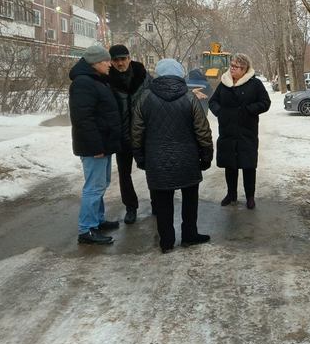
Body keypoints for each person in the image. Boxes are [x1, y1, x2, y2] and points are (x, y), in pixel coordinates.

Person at [132, 59, 214, 254]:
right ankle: (189, 235)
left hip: (156, 158)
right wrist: (206, 156)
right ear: (180, 74)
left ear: (159, 74)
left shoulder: (145, 97)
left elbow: (137, 132)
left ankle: (166, 241)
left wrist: (140, 157)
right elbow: (203, 130)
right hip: (187, 157)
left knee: (162, 201)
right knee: (190, 198)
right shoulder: (190, 98)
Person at [69, 45, 121, 245]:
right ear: (95, 63)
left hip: (102, 144)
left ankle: (97, 220)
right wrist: (95, 147)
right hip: (95, 147)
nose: (111, 64)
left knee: (101, 184)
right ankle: (87, 229)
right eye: (107, 61)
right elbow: (83, 118)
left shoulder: (96, 80)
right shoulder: (84, 83)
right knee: (93, 187)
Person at [208, 53, 271, 210]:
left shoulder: (255, 84)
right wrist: (220, 113)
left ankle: (250, 196)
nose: (232, 69)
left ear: (245, 69)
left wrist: (250, 110)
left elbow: (265, 102)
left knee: (248, 165)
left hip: (246, 130)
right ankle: (231, 194)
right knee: (230, 165)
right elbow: (213, 101)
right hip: (228, 130)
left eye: (235, 67)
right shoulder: (225, 83)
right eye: (231, 66)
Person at [107, 44, 153, 225]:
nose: (120, 63)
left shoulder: (143, 77)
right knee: (124, 174)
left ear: (129, 58)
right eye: (116, 60)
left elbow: (159, 94)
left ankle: (156, 202)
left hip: (144, 133)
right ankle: (131, 207)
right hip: (121, 136)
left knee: (151, 170)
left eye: (123, 59)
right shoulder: (107, 79)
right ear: (111, 62)